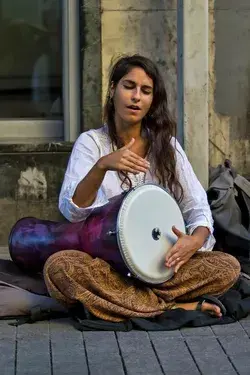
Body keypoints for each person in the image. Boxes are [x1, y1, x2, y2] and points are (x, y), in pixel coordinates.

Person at [43, 55, 240, 322]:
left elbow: (197, 206)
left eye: (145, 91)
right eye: (129, 86)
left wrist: (193, 241)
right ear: (113, 90)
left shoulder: (166, 146)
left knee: (228, 267)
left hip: (162, 265)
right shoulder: (91, 143)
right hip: (108, 266)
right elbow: (72, 211)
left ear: (151, 101)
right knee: (60, 268)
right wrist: (101, 166)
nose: (136, 96)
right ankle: (173, 307)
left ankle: (129, 303)